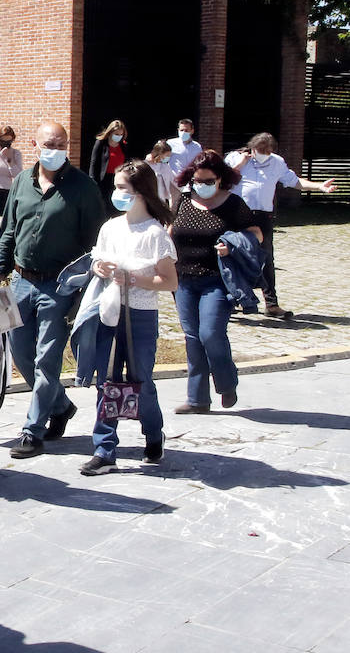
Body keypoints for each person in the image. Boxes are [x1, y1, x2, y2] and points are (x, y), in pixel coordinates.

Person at [0, 121, 106, 459]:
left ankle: (32, 430)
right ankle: (60, 405)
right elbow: (10, 230)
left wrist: (84, 288)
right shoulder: (22, 183)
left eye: (61, 144)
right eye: (48, 144)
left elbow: (95, 242)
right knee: (21, 353)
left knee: (47, 358)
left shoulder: (83, 187)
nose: (54, 149)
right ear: (35, 144)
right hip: (21, 281)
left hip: (59, 286)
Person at [78, 160, 177, 475]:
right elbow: (97, 260)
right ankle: (105, 449)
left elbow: (170, 281)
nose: (117, 193)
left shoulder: (155, 233)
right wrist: (99, 268)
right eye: (116, 187)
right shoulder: (110, 227)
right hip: (109, 311)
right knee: (106, 379)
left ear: (141, 193)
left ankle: (152, 432)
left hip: (141, 315)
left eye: (123, 188)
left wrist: (134, 279)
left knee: (141, 378)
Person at [171, 151, 262, 412]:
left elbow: (256, 233)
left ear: (220, 178)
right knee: (192, 338)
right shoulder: (183, 200)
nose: (202, 185)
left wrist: (232, 245)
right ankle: (197, 399)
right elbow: (171, 230)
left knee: (210, 333)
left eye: (208, 180)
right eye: (197, 180)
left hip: (217, 280)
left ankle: (226, 382)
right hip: (183, 280)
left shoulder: (234, 204)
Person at [226, 133, 337, 317]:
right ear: (252, 148)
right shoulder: (235, 158)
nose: (264, 154)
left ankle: (271, 304)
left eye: (267, 151)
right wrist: (241, 164)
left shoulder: (277, 162)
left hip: (263, 215)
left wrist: (319, 186)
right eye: (261, 151)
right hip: (238, 213)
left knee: (266, 258)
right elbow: (224, 180)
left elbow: (294, 181)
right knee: (234, 255)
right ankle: (232, 299)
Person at [89, 119, 129, 205]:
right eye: (116, 134)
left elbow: (126, 161)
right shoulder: (101, 143)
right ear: (110, 132)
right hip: (103, 179)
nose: (119, 136)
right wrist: (92, 181)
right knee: (103, 203)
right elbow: (94, 163)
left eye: (121, 134)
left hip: (118, 178)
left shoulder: (123, 145)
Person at [147, 141, 176, 205]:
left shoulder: (165, 166)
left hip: (161, 199)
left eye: (170, 155)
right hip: (149, 198)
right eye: (167, 155)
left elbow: (174, 181)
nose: (168, 157)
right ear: (160, 154)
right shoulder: (147, 165)